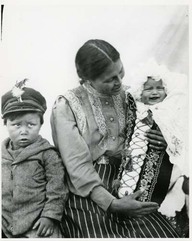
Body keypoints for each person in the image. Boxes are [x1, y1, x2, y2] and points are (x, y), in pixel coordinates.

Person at [51, 39, 181, 238]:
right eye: (109, 79)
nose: (119, 82)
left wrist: (166, 141)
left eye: (120, 72)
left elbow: (171, 124)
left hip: (130, 178)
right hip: (88, 188)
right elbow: (76, 165)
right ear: (85, 79)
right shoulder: (67, 106)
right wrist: (111, 204)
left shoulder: (134, 95)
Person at [116, 59, 189, 237]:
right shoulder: (136, 108)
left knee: (156, 188)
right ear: (141, 91)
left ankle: (148, 208)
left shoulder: (170, 111)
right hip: (135, 155)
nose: (155, 92)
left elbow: (182, 134)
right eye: (149, 88)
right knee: (129, 177)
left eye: (159, 88)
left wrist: (170, 139)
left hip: (165, 161)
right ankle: (126, 200)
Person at [1, 80, 68, 238]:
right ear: (5, 123)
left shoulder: (47, 154)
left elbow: (57, 188)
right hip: (5, 222)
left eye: (31, 125)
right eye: (16, 125)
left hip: (37, 224)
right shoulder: (2, 153)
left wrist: (49, 216)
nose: (23, 131)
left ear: (40, 124)